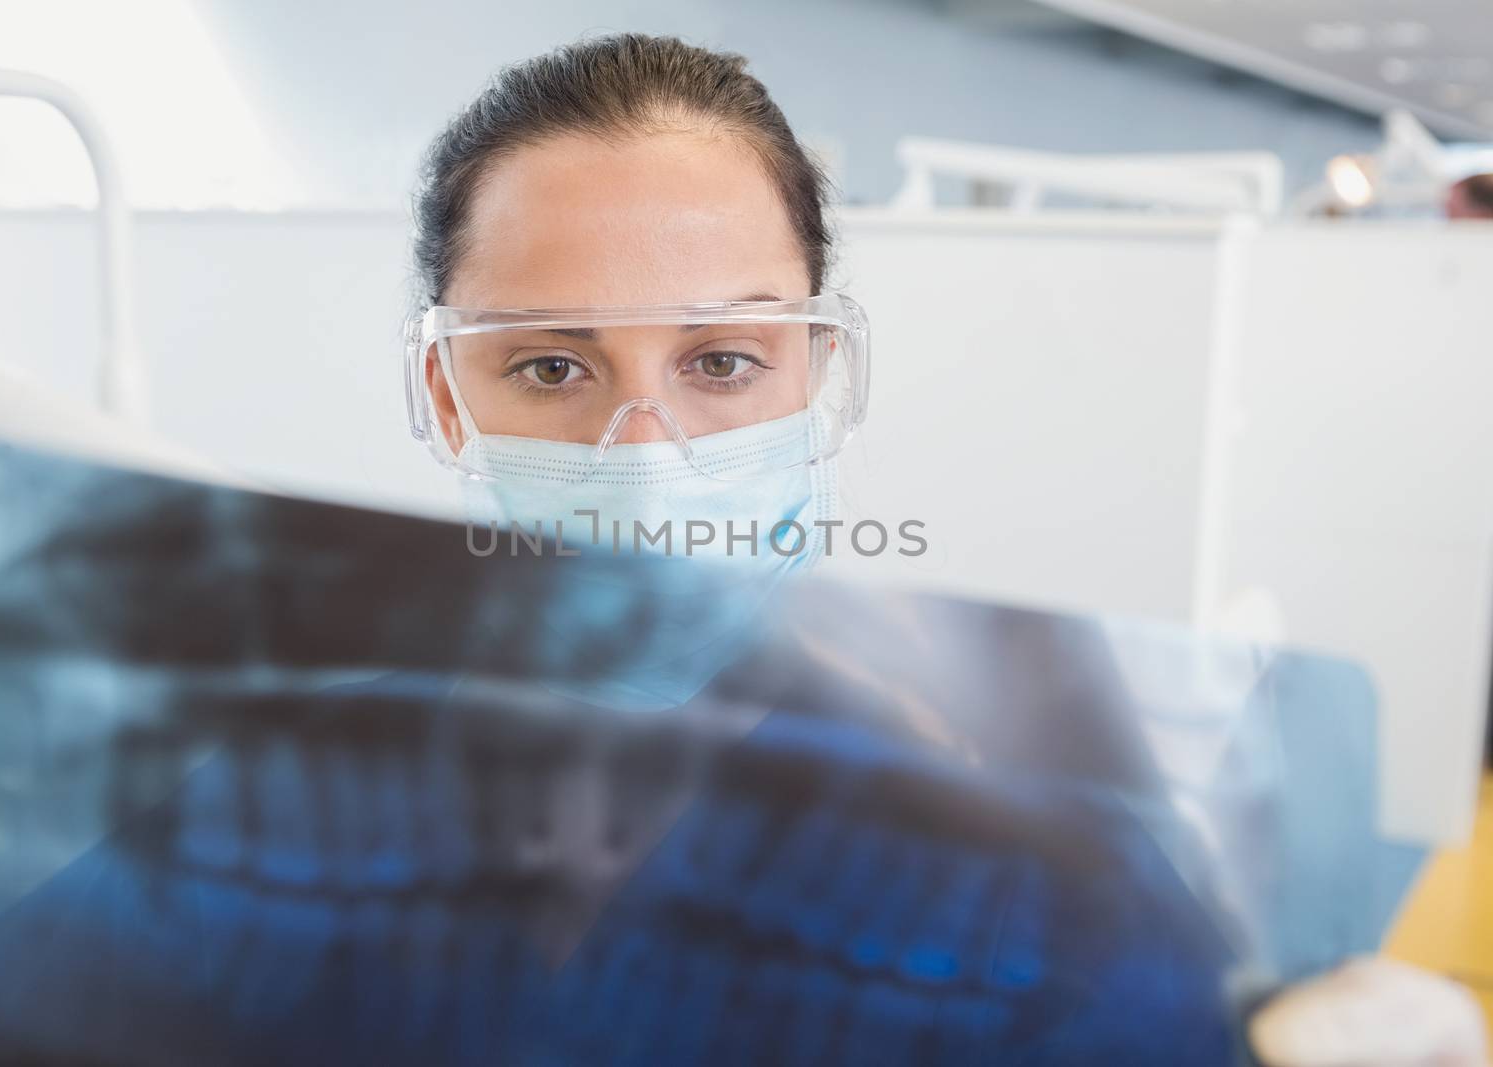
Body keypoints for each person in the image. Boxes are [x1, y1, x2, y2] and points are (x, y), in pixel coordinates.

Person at [401, 33, 1487, 1067]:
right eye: (549, 368)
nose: (645, 457)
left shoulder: (1028, 863)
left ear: (819, 374)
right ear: (449, 396)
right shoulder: (259, 769)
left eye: (723, 360)